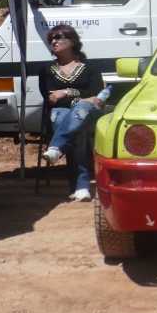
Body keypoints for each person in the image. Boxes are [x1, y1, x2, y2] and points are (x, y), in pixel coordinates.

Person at [38, 24, 106, 201]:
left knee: (79, 112)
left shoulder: (90, 67)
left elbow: (97, 95)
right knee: (76, 128)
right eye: (51, 38)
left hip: (85, 114)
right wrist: (82, 97)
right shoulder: (46, 70)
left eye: (59, 37)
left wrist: (67, 92)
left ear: (72, 41)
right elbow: (51, 98)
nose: (54, 41)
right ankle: (82, 186)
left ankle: (56, 148)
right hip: (59, 113)